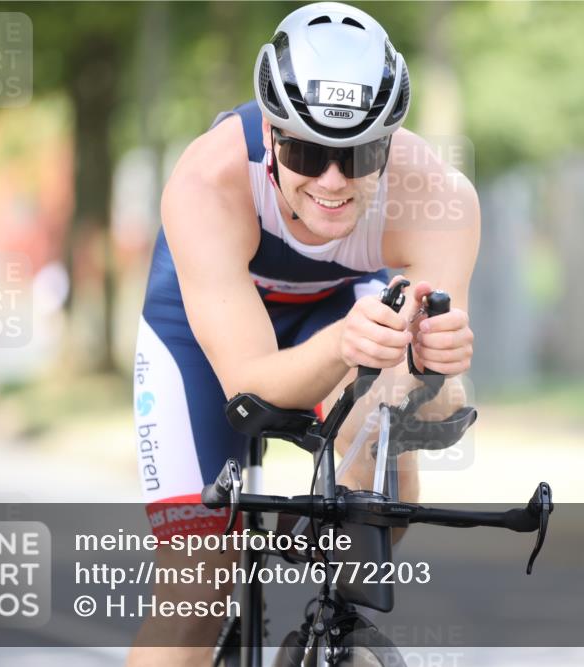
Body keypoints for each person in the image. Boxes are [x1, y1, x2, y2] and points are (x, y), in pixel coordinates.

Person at [128, 3, 478, 664]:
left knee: (383, 437)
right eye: (308, 152)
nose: (332, 181)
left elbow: (435, 407)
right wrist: (348, 344)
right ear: (273, 135)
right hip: (205, 337)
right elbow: (251, 385)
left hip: (337, 308)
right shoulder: (208, 180)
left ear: (391, 143)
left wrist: (435, 371)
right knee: (195, 586)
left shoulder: (437, 197)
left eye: (358, 154)